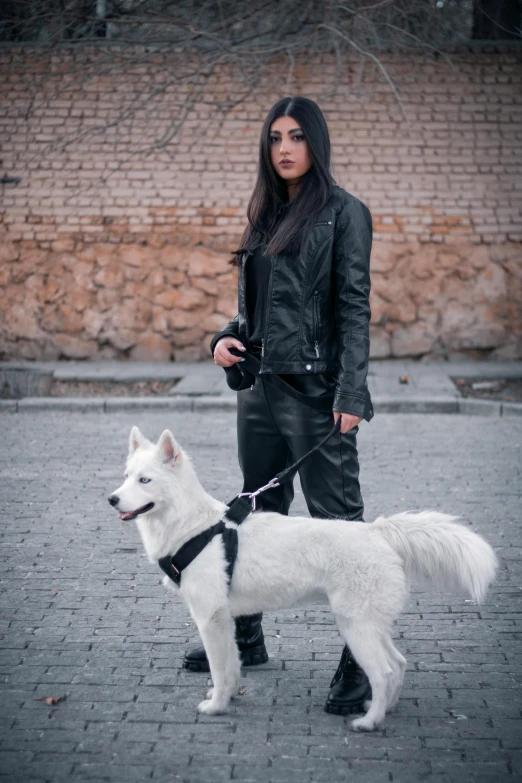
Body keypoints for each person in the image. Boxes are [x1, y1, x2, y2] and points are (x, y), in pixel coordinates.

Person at [183, 96, 374, 716]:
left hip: (317, 391)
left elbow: (352, 309)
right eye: (274, 139)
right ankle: (246, 637)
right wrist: (224, 337)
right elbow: (261, 310)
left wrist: (351, 392)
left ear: (315, 142)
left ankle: (360, 661)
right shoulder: (266, 216)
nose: (284, 148)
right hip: (261, 388)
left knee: (340, 524)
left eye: (295, 137)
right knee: (256, 511)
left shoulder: (346, 214)